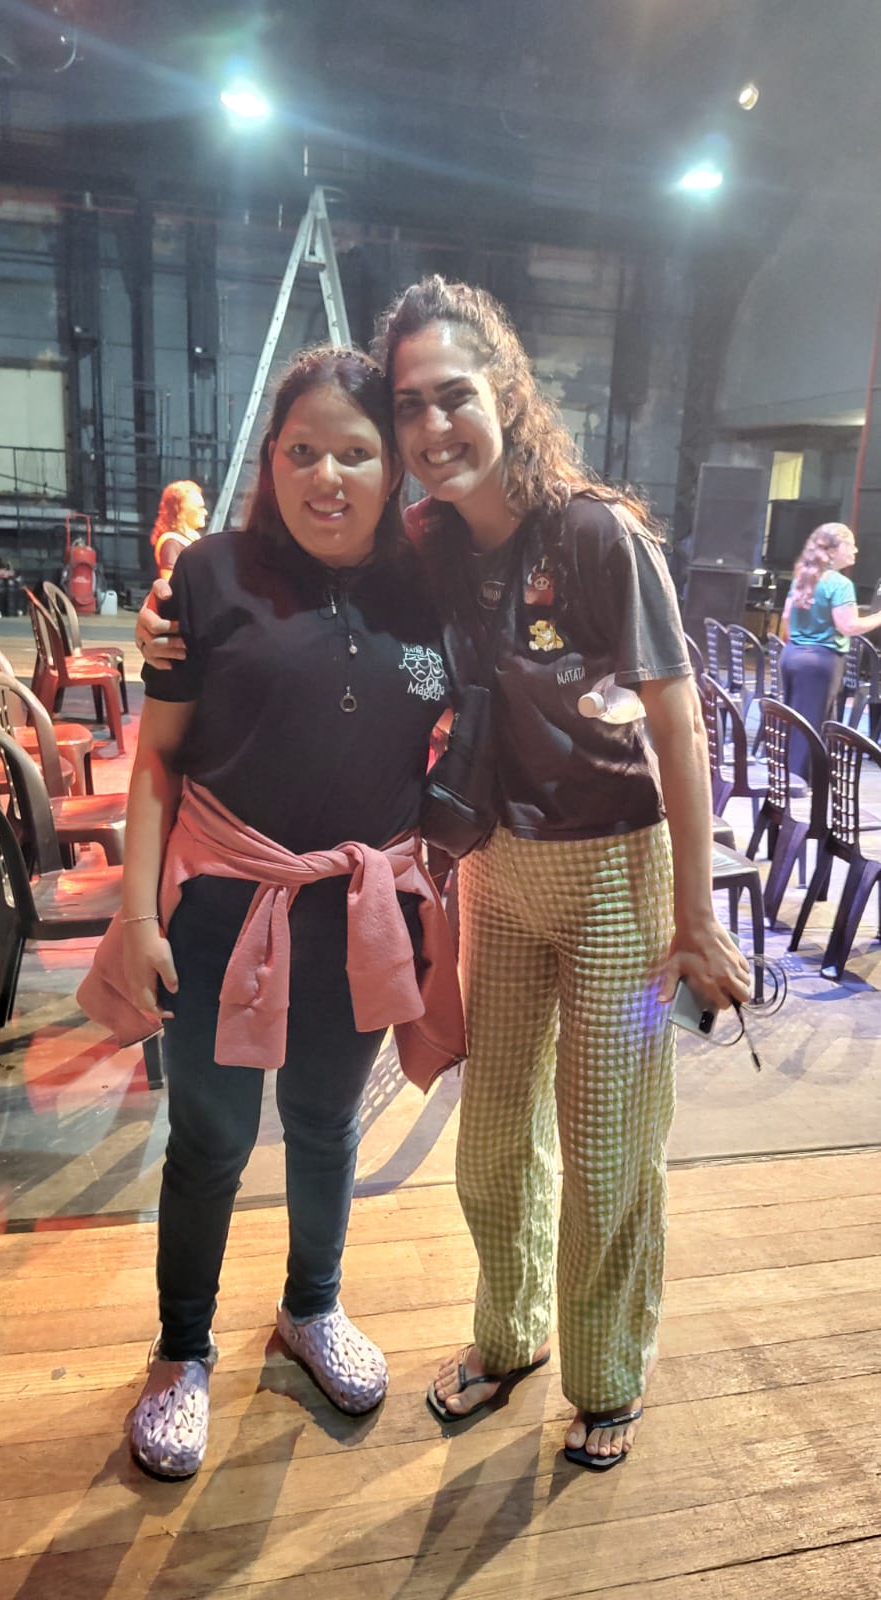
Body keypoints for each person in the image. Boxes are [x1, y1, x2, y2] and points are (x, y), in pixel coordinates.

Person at [139, 277, 750, 1473]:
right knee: (491, 1139)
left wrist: (698, 910)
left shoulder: (596, 535)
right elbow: (279, 580)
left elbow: (681, 723)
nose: (430, 427)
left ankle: (607, 1375)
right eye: (410, 404)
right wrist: (177, 612)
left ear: (508, 390)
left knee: (608, 1146)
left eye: (452, 396)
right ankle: (509, 1335)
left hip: (617, 875)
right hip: (497, 870)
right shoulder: (428, 544)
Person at [82, 348, 464, 1481]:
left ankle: (312, 1306)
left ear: (394, 468)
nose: (327, 475)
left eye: (356, 451)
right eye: (303, 451)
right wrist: (137, 920)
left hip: (359, 913)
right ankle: (181, 1350)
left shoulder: (432, 586)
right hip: (220, 908)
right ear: (271, 461)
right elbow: (157, 760)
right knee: (208, 1138)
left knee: (327, 1125)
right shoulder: (208, 578)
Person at [780, 522, 881, 777]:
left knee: (799, 722)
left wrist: (802, 642)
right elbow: (848, 626)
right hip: (819, 662)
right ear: (833, 550)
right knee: (810, 727)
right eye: (851, 544)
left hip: (792, 655)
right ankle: (797, 784)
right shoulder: (840, 583)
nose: (856, 550)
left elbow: (786, 619)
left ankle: (807, 779)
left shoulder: (803, 576)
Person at [150, 480, 207, 581]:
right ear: (181, 511)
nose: (205, 512)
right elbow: (170, 585)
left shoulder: (192, 539)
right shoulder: (171, 543)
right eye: (200, 508)